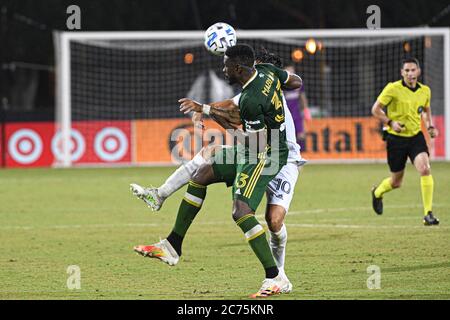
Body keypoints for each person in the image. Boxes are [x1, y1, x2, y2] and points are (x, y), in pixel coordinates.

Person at [132, 44, 303, 297]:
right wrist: (205, 109)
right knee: (201, 174)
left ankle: (276, 277)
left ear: (237, 68)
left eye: (225, 66)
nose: (222, 69)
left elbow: (247, 140)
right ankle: (172, 245)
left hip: (268, 155)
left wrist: (215, 117)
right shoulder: (267, 72)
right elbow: (295, 81)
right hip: (258, 145)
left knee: (242, 212)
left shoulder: (251, 100)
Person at [371, 57, 439, 226]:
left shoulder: (425, 91)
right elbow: (375, 109)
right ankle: (378, 192)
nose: (410, 74)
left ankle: (428, 214)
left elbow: (426, 110)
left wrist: (430, 126)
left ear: (418, 72)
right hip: (396, 139)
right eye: (406, 71)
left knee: (425, 169)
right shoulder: (392, 88)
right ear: (402, 73)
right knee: (396, 182)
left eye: (413, 70)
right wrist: (390, 122)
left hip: (415, 137)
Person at [283, 64, 310, 150]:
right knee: (286, 135)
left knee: (301, 134)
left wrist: (306, 110)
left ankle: (301, 153)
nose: (291, 73)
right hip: (286, 112)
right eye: (288, 71)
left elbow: (302, 97)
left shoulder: (298, 84)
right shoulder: (282, 84)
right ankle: (289, 154)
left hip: (296, 112)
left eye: (292, 71)